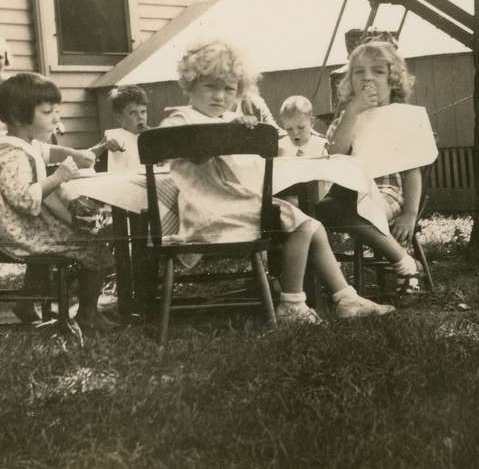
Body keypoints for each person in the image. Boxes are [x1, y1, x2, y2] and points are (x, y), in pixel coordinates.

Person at [163, 40, 394, 324]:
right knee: (302, 224)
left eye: (229, 89)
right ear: (190, 84)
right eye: (210, 86)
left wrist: (240, 132)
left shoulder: (230, 118)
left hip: (232, 209)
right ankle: (293, 303)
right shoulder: (179, 120)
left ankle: (346, 298)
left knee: (312, 225)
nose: (219, 96)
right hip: (210, 215)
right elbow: (195, 155)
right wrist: (229, 134)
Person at [0, 72, 117, 330]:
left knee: (64, 228)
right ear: (20, 117)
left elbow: (46, 150)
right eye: (48, 112)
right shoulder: (13, 156)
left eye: (57, 111)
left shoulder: (17, 144)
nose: (56, 117)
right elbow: (25, 200)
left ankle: (26, 302)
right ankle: (87, 315)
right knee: (96, 247)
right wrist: (59, 177)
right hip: (15, 232)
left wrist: (75, 154)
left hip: (10, 227)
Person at [315, 40, 424, 295]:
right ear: (350, 80)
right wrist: (353, 111)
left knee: (350, 210)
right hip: (347, 191)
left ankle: (403, 263)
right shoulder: (347, 118)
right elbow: (335, 154)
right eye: (359, 72)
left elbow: (412, 170)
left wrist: (410, 213)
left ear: (392, 79)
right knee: (320, 210)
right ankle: (403, 260)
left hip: (387, 191)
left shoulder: (401, 116)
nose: (368, 78)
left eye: (378, 71)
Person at [100, 85, 148, 173]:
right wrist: (106, 146)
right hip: (124, 182)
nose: (140, 117)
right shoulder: (114, 136)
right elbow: (99, 149)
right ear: (119, 118)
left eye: (143, 112)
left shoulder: (152, 135)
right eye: (133, 113)